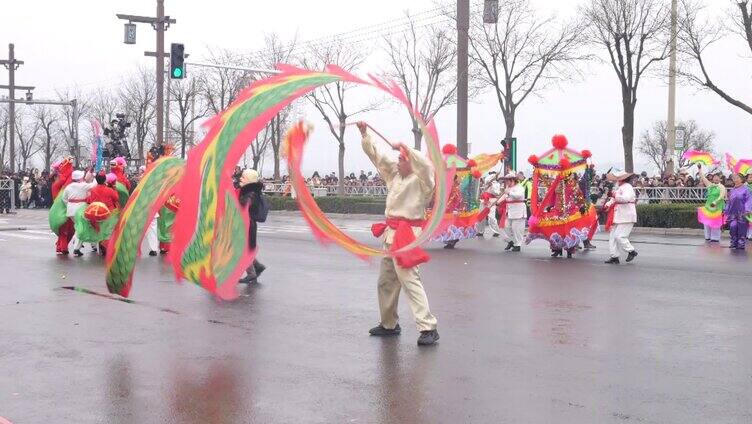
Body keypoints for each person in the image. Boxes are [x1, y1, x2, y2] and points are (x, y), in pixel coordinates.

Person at [358, 121, 439, 346]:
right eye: (400, 158)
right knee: (386, 280)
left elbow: (427, 167)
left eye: (402, 159)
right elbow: (378, 157)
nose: (397, 161)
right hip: (390, 233)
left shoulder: (423, 182)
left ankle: (428, 327)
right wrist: (365, 134)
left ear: (411, 162)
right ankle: (389, 323)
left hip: (407, 235)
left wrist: (404, 146)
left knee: (410, 280)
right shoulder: (394, 175)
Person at [237, 169, 267, 284]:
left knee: (241, 249)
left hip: (247, 225)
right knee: (245, 248)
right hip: (247, 224)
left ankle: (251, 274)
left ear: (249, 181)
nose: (240, 178)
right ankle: (258, 266)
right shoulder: (250, 190)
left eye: (243, 178)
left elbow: (245, 204)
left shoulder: (251, 193)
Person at [604, 171, 638, 264]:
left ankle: (631, 251)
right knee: (613, 237)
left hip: (626, 215)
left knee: (620, 236)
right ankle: (614, 256)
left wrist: (614, 195)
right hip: (618, 215)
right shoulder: (619, 187)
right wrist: (607, 204)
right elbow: (614, 199)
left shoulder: (628, 187)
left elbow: (625, 199)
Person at [63, 170, 97, 257]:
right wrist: (95, 176)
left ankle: (83, 245)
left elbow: (64, 199)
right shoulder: (82, 185)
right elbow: (94, 185)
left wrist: (70, 205)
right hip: (80, 209)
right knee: (80, 229)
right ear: (79, 178)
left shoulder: (68, 187)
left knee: (79, 227)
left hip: (70, 210)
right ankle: (76, 248)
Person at [497, 172, 526, 252]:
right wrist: (497, 202)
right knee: (504, 226)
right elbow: (503, 196)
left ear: (512, 180)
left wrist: (509, 192)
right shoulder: (508, 188)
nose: (506, 182)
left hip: (518, 210)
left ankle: (518, 244)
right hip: (509, 210)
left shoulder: (520, 187)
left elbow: (518, 195)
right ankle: (510, 241)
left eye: (507, 180)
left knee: (516, 228)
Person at [697, 165, 726, 243]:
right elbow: (703, 177)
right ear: (713, 178)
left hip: (717, 207)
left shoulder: (721, 187)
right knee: (707, 223)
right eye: (715, 176)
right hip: (708, 207)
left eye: (718, 177)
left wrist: (715, 202)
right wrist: (700, 169)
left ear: (720, 179)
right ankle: (707, 237)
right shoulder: (710, 185)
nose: (716, 178)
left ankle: (715, 238)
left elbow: (721, 196)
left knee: (715, 223)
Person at [724, 173, 752, 250]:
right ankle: (733, 242)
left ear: (742, 179)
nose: (735, 179)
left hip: (743, 213)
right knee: (733, 227)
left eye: (737, 177)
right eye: (734, 177)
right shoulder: (732, 190)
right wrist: (725, 210)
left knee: (742, 230)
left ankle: (741, 244)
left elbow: (749, 200)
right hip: (732, 214)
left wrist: (748, 209)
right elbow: (729, 202)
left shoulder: (746, 189)